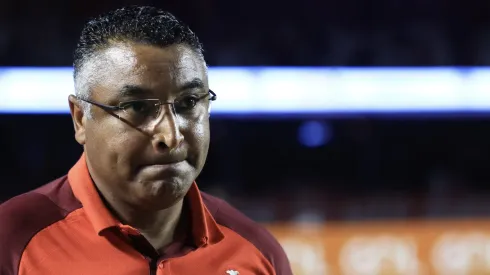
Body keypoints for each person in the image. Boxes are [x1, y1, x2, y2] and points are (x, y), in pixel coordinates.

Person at [0, 6, 292, 275]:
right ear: (80, 118)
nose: (171, 135)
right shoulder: (11, 242)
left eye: (189, 102)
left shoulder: (256, 252)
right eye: (137, 107)